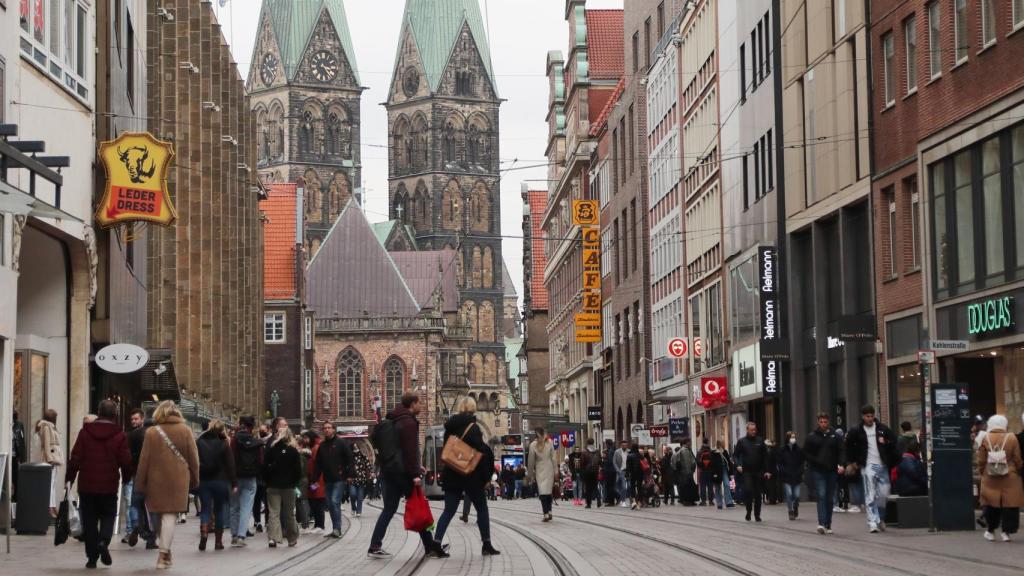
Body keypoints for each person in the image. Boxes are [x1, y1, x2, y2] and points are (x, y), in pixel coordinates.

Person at [368, 392, 441, 559]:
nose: (421, 406)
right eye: (419, 403)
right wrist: (415, 473)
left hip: (389, 471)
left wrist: (416, 466)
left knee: (389, 509)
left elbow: (397, 448)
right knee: (419, 506)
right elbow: (409, 451)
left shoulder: (394, 418)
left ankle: (375, 544)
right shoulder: (408, 422)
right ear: (413, 404)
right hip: (402, 473)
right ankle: (430, 546)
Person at [65, 399, 132, 569]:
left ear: (99, 412)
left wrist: (69, 478)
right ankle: (104, 541)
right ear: (115, 415)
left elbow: (76, 458)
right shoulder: (120, 435)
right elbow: (125, 461)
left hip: (87, 484)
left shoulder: (85, 433)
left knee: (89, 520)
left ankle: (92, 557)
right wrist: (126, 478)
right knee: (108, 515)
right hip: (109, 483)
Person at [134, 401, 200, 570]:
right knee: (170, 516)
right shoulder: (185, 430)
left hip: (155, 480)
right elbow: (194, 459)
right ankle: (164, 554)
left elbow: (144, 461)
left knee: (156, 514)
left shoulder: (151, 432)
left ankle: (164, 549)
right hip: (178, 480)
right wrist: (194, 479)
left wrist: (140, 483)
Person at [431, 397, 500, 556]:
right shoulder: (473, 427)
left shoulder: (450, 427)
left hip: (452, 472)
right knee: (482, 507)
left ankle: (436, 543)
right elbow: (481, 452)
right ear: (473, 408)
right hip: (470, 475)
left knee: (448, 510)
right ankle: (486, 544)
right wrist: (486, 476)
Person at [844, 405, 898, 533]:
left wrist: (885, 443)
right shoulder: (856, 430)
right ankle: (872, 522)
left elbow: (894, 441)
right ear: (863, 417)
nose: (870, 419)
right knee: (870, 495)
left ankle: (881, 518)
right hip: (867, 466)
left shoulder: (882, 429)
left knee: (883, 494)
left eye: (872, 416)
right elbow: (848, 446)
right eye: (867, 416)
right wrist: (852, 462)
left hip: (882, 466)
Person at [977, 415, 1024, 541]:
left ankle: (991, 531)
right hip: (1010, 476)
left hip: (990, 476)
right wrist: (1018, 470)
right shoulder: (1012, 437)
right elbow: (1017, 458)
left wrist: (983, 472)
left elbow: (981, 460)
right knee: (1010, 504)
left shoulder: (985, 437)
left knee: (992, 504)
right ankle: (1006, 533)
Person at [196, 419, 236, 551]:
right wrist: (234, 482)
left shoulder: (200, 442)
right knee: (219, 510)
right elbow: (230, 465)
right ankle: (218, 542)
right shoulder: (224, 443)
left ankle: (204, 532)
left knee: (205, 508)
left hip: (204, 480)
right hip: (220, 480)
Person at [804, 413, 843, 534]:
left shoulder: (835, 436)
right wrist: (815, 461)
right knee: (821, 495)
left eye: (825, 422)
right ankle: (821, 523)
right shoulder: (812, 437)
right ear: (818, 422)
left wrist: (841, 464)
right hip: (818, 471)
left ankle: (828, 523)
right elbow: (806, 452)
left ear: (828, 422)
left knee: (830, 498)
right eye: (821, 422)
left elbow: (841, 451)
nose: (823, 424)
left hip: (831, 471)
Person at [264, 427, 302, 548]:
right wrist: (294, 483)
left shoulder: (271, 449)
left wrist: (267, 481)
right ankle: (291, 538)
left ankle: (273, 538)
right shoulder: (293, 451)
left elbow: (264, 466)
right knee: (289, 513)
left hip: (273, 486)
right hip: (288, 486)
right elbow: (298, 471)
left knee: (274, 512)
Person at [313, 421, 352, 538]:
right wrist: (315, 478)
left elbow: (349, 459)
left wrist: (349, 475)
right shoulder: (322, 446)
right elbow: (318, 463)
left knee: (335, 501)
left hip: (339, 478)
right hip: (328, 478)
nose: (327, 430)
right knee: (330, 504)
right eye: (325, 428)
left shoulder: (341, 443)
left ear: (334, 429)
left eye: (329, 428)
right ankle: (335, 527)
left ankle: (337, 529)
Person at [229, 415, 263, 547]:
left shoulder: (234, 440)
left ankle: (234, 535)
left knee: (234, 507)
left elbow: (230, 459)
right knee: (246, 508)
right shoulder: (256, 441)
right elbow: (260, 461)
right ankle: (241, 536)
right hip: (250, 478)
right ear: (252, 427)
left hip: (235, 478)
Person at [734, 422, 771, 522]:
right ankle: (748, 511)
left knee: (758, 494)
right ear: (747, 430)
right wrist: (738, 465)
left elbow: (765, 456)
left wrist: (767, 470)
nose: (753, 431)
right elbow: (736, 455)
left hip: (758, 471)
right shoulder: (742, 442)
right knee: (748, 491)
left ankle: (757, 514)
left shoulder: (760, 441)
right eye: (751, 430)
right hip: (747, 472)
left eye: (755, 430)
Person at [35, 408, 64, 518]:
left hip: (54, 458)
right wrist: (49, 458)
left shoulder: (49, 427)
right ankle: (50, 508)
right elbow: (46, 444)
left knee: (52, 484)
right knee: (50, 484)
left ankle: (52, 507)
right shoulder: (47, 427)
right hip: (51, 458)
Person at [527, 427, 558, 521]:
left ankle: (546, 514)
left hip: (540, 470)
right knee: (548, 491)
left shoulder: (533, 445)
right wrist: (556, 470)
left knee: (543, 492)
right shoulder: (549, 442)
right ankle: (549, 511)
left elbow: (531, 461)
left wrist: (530, 474)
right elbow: (553, 458)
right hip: (549, 468)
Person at [776, 431, 804, 521]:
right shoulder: (782, 450)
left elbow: (801, 462)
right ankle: (790, 511)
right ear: (787, 438)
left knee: (796, 495)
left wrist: (800, 471)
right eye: (791, 437)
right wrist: (783, 470)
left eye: (794, 437)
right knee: (789, 494)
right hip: (786, 476)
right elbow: (779, 462)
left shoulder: (798, 449)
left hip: (796, 476)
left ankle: (795, 506)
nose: (793, 439)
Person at [304, 430, 326, 534]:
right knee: (315, 502)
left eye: (306, 438)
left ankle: (320, 525)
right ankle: (318, 524)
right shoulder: (315, 447)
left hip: (317, 480)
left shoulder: (316, 448)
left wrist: (313, 480)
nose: (305, 440)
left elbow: (316, 465)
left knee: (318, 503)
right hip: (316, 480)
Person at [672, 438, 699, 505]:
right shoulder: (685, 451)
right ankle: (688, 501)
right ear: (686, 442)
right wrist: (689, 471)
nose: (690, 443)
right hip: (687, 472)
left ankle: (687, 500)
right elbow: (687, 462)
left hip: (683, 472)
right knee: (688, 487)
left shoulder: (681, 450)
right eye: (689, 442)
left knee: (686, 486)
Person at [696, 439, 721, 507]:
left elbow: (697, 462)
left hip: (702, 471)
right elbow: (714, 462)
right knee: (710, 486)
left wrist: (702, 465)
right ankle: (711, 501)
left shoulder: (699, 452)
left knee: (702, 486)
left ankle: (703, 501)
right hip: (710, 471)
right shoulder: (711, 452)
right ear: (708, 442)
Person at [349, 444, 372, 518]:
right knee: (352, 495)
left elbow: (368, 465)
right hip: (352, 479)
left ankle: (359, 511)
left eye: (356, 446)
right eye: (354, 446)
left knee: (360, 496)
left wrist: (371, 472)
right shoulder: (350, 456)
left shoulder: (363, 455)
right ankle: (353, 507)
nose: (355, 447)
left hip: (362, 479)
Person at [11, 410, 27, 504]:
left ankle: (16, 495)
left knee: (15, 476)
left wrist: (21, 456)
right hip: (8, 454)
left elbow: (21, 440)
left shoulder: (19, 425)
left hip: (15, 455)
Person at [582, 438, 601, 508]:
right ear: (593, 442)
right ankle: (599, 499)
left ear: (587, 443)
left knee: (588, 488)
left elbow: (582, 463)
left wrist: (582, 471)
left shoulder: (584, 452)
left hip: (587, 472)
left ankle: (589, 504)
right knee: (595, 486)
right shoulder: (597, 451)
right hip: (595, 471)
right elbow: (600, 461)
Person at [717, 440, 737, 508]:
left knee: (727, 484)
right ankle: (719, 503)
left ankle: (728, 502)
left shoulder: (725, 451)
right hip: (717, 471)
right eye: (723, 443)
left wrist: (731, 472)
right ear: (720, 444)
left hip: (724, 469)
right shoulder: (714, 452)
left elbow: (728, 462)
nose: (724, 445)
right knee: (717, 487)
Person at [625, 443, 645, 510]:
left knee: (632, 487)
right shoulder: (641, 456)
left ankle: (633, 502)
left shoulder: (629, 456)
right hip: (640, 474)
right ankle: (639, 502)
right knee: (639, 487)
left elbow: (628, 467)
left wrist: (627, 475)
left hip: (633, 474)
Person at [602, 439, 618, 506]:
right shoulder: (612, 450)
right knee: (610, 486)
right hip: (611, 470)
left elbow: (610, 461)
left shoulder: (610, 451)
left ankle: (617, 496)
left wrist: (604, 459)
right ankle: (611, 501)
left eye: (606, 444)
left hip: (609, 471)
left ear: (607, 444)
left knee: (610, 486)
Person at [613, 440, 629, 508]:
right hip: (620, 471)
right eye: (623, 445)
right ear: (621, 446)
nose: (624, 446)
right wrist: (617, 470)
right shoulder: (617, 452)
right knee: (618, 486)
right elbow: (614, 462)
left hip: (627, 471)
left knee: (625, 487)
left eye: (625, 445)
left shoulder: (629, 451)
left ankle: (623, 501)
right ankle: (621, 498)